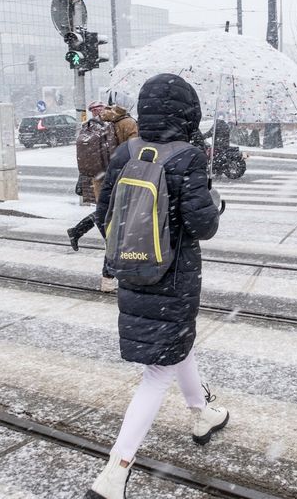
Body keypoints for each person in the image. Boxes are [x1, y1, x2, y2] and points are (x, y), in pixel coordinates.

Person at [87, 73, 227, 499]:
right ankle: (117, 469)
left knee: (176, 345)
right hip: (174, 275)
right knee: (158, 370)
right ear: (189, 112)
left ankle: (201, 413)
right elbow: (203, 226)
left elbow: (102, 213)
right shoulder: (188, 156)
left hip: (132, 270)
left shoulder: (127, 149)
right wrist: (214, 202)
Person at [66, 101, 120, 293]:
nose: (101, 112)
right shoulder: (108, 126)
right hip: (110, 177)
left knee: (104, 215)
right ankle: (109, 275)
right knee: (112, 229)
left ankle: (76, 231)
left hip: (100, 177)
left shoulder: (88, 128)